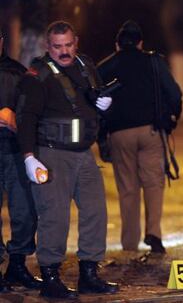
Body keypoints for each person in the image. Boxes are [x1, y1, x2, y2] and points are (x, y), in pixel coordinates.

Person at [16, 21, 119, 299]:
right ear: (47, 47)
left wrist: (103, 105)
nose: (64, 51)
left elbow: (92, 96)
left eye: (69, 45)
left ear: (77, 42)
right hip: (51, 153)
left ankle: (89, 274)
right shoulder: (37, 76)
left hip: (84, 153)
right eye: (58, 46)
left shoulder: (85, 65)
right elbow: (25, 119)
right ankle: (50, 278)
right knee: (54, 216)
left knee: (96, 212)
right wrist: (29, 157)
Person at [97, 20, 182, 255]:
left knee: (128, 189)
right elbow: (174, 93)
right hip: (150, 131)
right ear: (140, 43)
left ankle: (129, 244)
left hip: (119, 134)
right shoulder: (154, 62)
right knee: (154, 183)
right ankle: (154, 233)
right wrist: (174, 117)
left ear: (117, 45)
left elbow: (93, 100)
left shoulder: (105, 67)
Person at [0, 28, 42, 292]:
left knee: (25, 211)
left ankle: (17, 265)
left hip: (15, 151)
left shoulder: (18, 72)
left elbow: (30, 108)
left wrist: (17, 119)